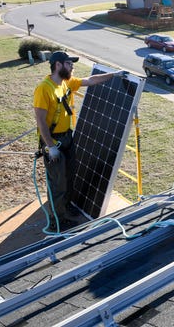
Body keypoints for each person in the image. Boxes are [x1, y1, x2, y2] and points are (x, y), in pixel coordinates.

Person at [33, 51, 126, 232]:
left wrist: (114, 75)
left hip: (67, 137)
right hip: (53, 141)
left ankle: (65, 207)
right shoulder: (44, 88)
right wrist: (51, 147)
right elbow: (40, 121)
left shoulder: (67, 82)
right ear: (58, 65)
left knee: (69, 175)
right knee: (57, 183)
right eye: (69, 63)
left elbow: (91, 80)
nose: (72, 67)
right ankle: (56, 222)